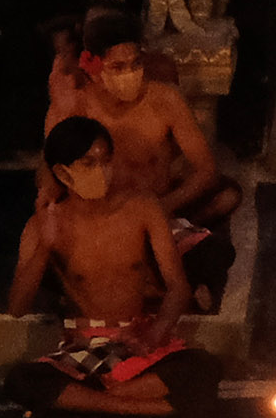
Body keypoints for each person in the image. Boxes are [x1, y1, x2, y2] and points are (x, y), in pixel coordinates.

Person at [1, 117, 225, 418]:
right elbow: (17, 307)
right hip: (82, 350)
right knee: (20, 381)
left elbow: (177, 287)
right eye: (88, 163)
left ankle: (90, 403)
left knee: (204, 366)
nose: (102, 171)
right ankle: (152, 407)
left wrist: (156, 332)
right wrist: (46, 246)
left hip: (137, 339)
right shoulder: (44, 224)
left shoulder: (143, 209)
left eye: (106, 160)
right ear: (64, 173)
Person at [47, 23, 241, 311]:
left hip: (161, 207)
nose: (131, 74)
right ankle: (162, 283)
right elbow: (52, 174)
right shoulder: (76, 106)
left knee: (226, 204)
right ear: (95, 69)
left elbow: (206, 170)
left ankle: (165, 275)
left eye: (136, 63)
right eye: (119, 67)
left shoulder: (165, 100)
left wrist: (161, 209)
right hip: (102, 216)